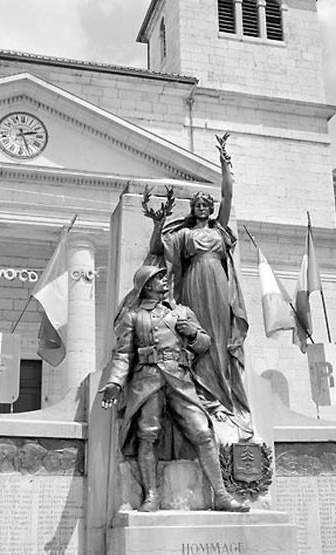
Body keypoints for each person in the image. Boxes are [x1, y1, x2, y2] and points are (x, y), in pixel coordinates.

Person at [101, 265, 249, 513]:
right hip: (148, 379)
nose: (164, 280)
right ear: (147, 285)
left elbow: (204, 344)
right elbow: (123, 354)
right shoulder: (134, 316)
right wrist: (115, 382)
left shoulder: (182, 312)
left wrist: (192, 334)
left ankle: (222, 495)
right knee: (148, 434)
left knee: (202, 431)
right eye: (158, 278)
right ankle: (151, 495)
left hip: (180, 377)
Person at [145, 134, 252, 438]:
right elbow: (158, 248)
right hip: (192, 284)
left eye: (207, 204)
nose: (204, 208)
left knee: (219, 338)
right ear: (193, 209)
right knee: (198, 338)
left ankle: (225, 394)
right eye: (199, 205)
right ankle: (202, 394)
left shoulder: (220, 229)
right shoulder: (183, 235)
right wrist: (157, 223)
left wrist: (225, 165)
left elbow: (228, 197)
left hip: (218, 284)